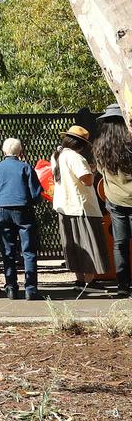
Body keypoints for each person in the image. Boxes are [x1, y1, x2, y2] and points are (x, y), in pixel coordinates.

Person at [52, 125, 111, 291]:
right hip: (81, 207)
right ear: (80, 144)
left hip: (64, 206)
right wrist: (92, 171)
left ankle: (79, 280)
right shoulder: (75, 158)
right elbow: (87, 181)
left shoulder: (57, 155)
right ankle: (90, 281)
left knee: (74, 245)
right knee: (89, 242)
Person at [0, 137, 44, 300]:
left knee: (8, 250)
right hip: (23, 210)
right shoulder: (25, 167)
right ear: (20, 151)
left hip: (2, 210)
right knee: (28, 250)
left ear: (4, 151)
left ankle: (11, 287)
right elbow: (36, 194)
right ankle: (31, 289)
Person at [94, 103, 132, 298]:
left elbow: (101, 173)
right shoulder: (130, 143)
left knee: (120, 243)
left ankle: (123, 285)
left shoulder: (101, 147)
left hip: (115, 201)